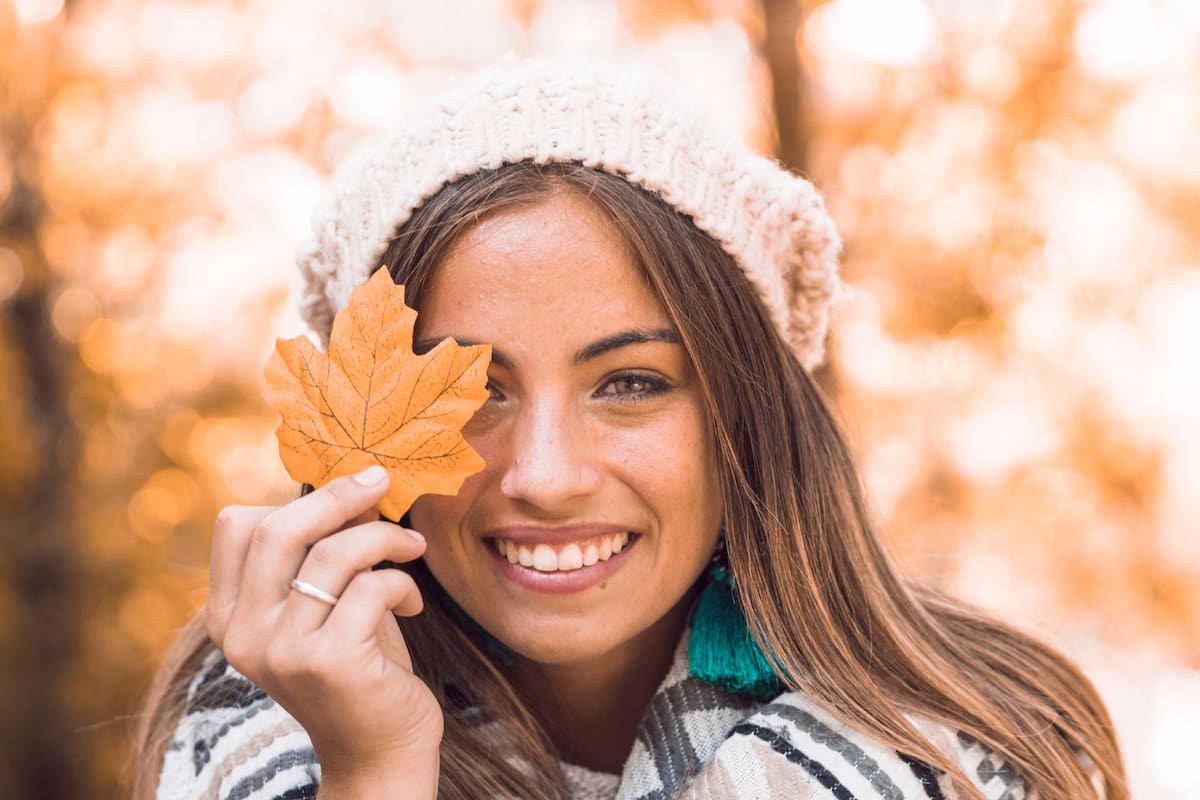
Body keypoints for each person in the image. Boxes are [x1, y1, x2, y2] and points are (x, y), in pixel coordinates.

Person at [134, 58, 1126, 800]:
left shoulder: (975, 743)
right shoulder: (256, 731)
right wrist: (376, 764)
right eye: (474, 390)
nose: (548, 473)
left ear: (746, 413)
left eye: (632, 381)